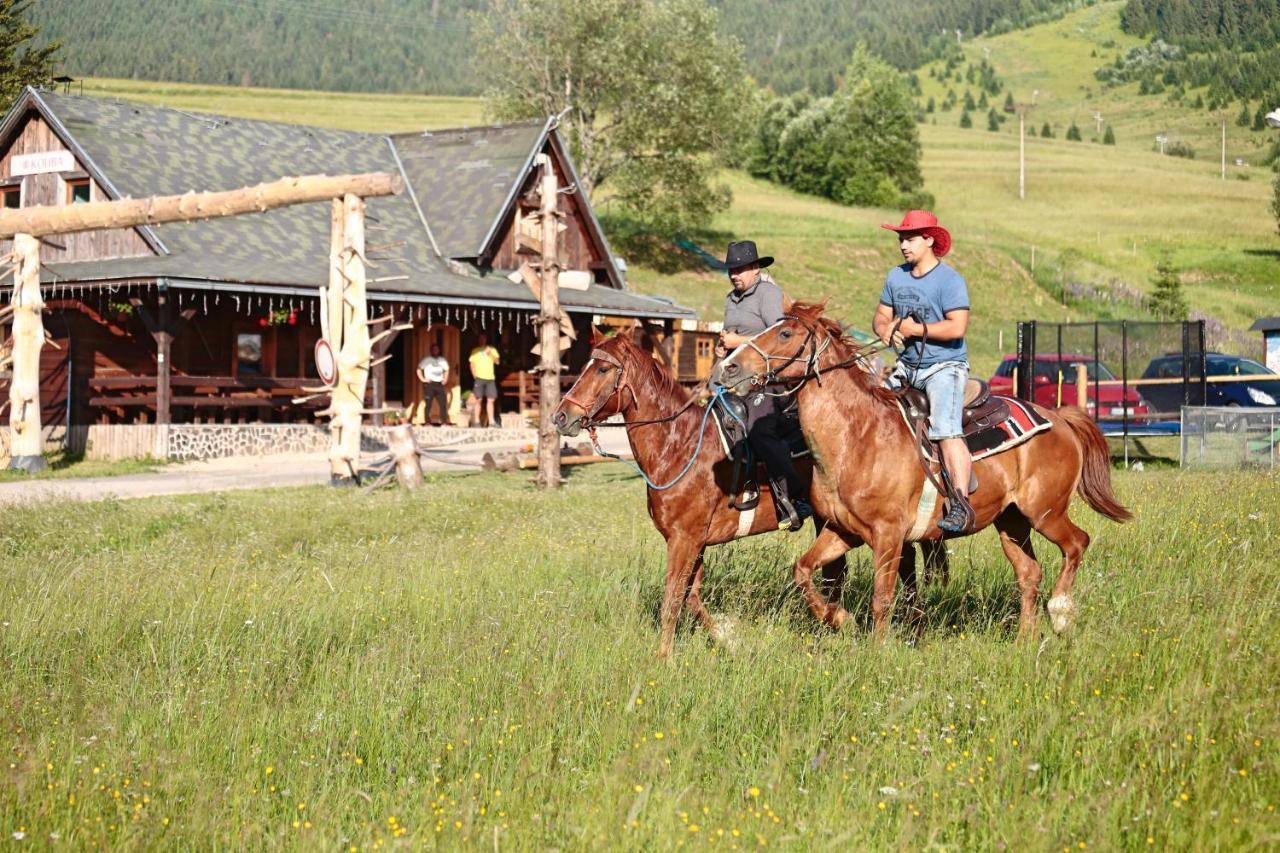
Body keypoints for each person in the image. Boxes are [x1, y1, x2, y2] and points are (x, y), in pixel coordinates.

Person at [872, 210, 974, 534]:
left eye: (910, 238)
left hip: (944, 366)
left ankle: (960, 503)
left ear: (929, 239)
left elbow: (957, 327)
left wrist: (915, 329)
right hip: (907, 366)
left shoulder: (950, 280)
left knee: (945, 429)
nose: (903, 244)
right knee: (873, 415)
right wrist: (886, 330)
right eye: (901, 238)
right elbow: (880, 317)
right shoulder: (895, 277)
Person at [716, 240, 813, 531]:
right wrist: (725, 350)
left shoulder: (769, 294)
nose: (735, 274)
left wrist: (737, 342)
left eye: (741, 269)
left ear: (756, 268)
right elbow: (733, 340)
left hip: (769, 383)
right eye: (732, 269)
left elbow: (780, 337)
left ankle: (795, 498)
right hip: (735, 380)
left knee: (760, 433)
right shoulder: (730, 299)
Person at [468, 333, 500, 428]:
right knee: (479, 400)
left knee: (491, 400)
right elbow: (472, 364)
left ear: (486, 339)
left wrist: (489, 353)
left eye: (483, 338)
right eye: (480, 338)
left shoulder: (492, 349)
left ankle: (491, 422)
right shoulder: (475, 351)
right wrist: (475, 377)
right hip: (479, 378)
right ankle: (477, 422)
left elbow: (497, 362)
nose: (482, 340)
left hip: (490, 378)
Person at [416, 342, 451, 426]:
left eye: (436, 349)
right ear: (431, 351)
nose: (435, 351)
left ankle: (444, 422)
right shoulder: (426, 360)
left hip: (439, 384)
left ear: (439, 350)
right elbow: (418, 369)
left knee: (443, 403)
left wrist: (445, 379)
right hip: (430, 384)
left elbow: (447, 369)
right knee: (428, 404)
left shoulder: (442, 360)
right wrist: (423, 379)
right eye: (433, 349)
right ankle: (427, 422)